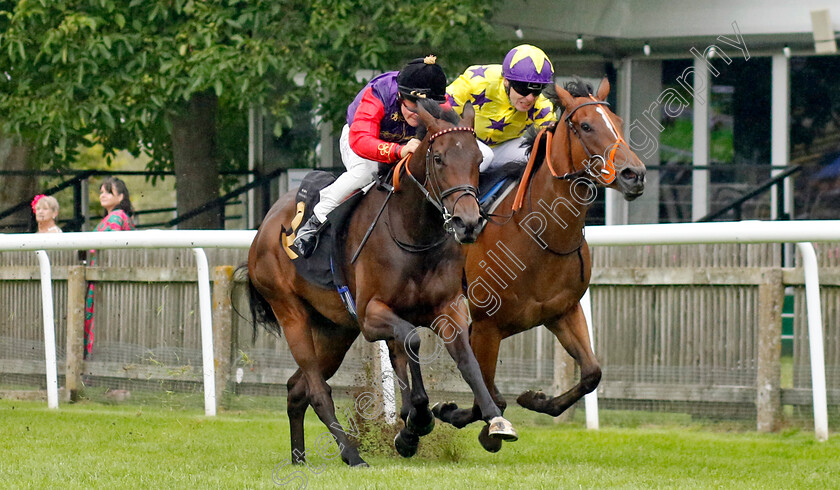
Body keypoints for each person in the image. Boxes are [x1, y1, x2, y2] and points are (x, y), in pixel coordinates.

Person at [293, 55, 451, 258]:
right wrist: (398, 151)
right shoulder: (379, 93)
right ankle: (315, 221)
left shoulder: (445, 104)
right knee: (365, 172)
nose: (418, 113)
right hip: (361, 141)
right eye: (413, 103)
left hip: (408, 145)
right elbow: (360, 141)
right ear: (401, 96)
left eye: (428, 107)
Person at [446, 44, 557, 172]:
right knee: (485, 155)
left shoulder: (542, 106)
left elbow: (553, 143)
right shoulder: (476, 82)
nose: (530, 98)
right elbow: (439, 109)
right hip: (462, 141)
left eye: (536, 92)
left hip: (503, 147)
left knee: (535, 156)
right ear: (506, 81)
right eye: (523, 89)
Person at [84, 177, 135, 359]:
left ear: (121, 197)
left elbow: (110, 248)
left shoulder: (116, 217)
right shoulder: (112, 217)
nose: (102, 195)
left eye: (108, 191)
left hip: (105, 278)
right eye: (101, 192)